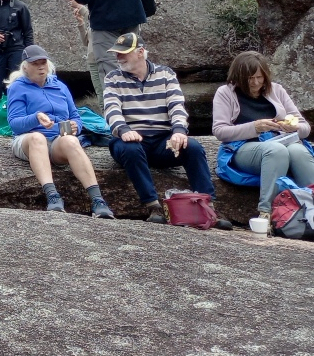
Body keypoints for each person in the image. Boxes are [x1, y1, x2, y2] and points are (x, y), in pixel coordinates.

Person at [104, 34, 228, 227]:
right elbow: (111, 110)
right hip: (130, 140)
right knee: (130, 149)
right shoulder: (113, 78)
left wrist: (179, 131)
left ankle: (208, 205)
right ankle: (153, 205)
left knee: (193, 147)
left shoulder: (166, 74)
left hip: (163, 141)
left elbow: (177, 107)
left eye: (124, 53)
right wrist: (123, 129)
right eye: (117, 53)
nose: (119, 57)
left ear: (141, 52)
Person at [7, 45, 114, 218]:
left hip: (57, 139)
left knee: (72, 141)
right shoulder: (17, 87)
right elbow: (14, 124)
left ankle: (98, 200)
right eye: (35, 64)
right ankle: (53, 196)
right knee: (37, 138)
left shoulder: (60, 86)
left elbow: (76, 117)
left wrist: (75, 126)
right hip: (28, 140)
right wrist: (36, 117)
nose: (41, 67)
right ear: (25, 66)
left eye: (44, 63)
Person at [212, 51, 314, 220]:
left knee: (299, 152)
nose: (255, 82)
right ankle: (267, 213)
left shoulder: (277, 90)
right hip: (243, 148)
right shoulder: (225, 93)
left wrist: (292, 128)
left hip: (281, 141)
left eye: (259, 77)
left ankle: (310, 207)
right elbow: (220, 131)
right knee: (276, 151)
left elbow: (305, 127)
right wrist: (255, 127)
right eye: (249, 78)